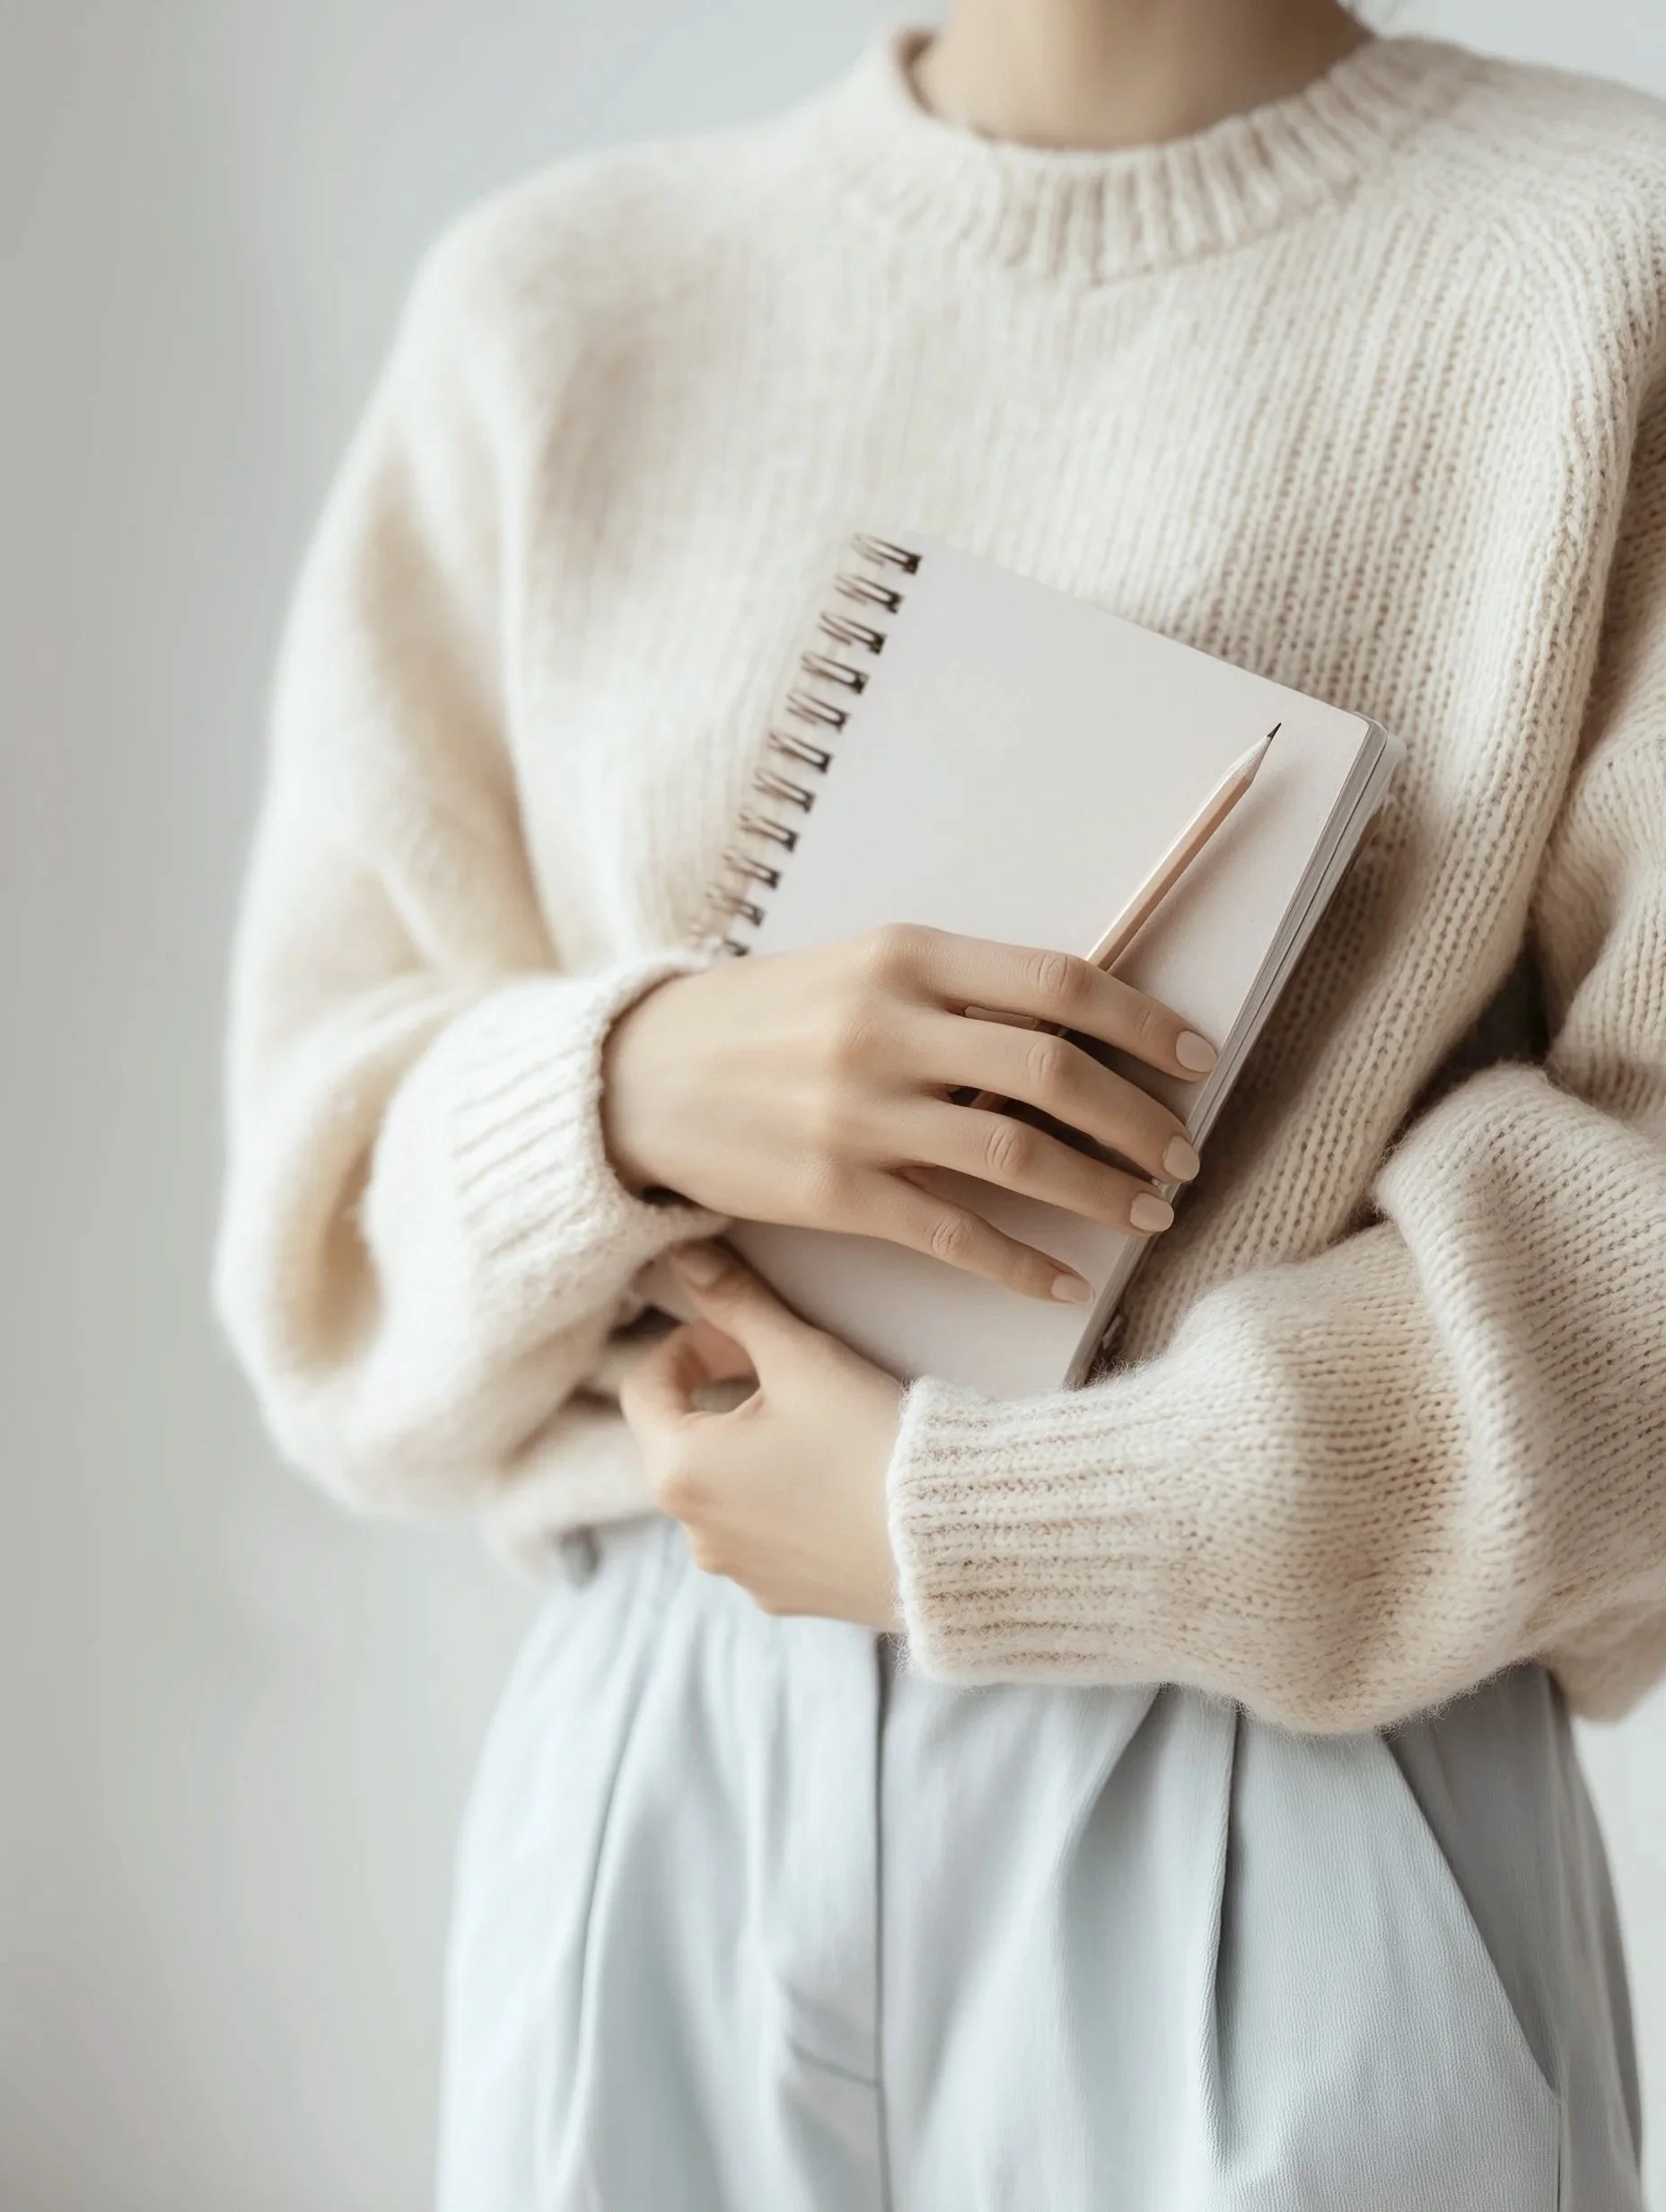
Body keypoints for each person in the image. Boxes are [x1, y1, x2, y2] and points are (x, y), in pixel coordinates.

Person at [215, 0, 1666, 2201]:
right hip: (664, 1776)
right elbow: (317, 1233)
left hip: (1286, 1781)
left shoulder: (1602, 255)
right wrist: (624, 1085)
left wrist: (995, 1518)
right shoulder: (559, 310)